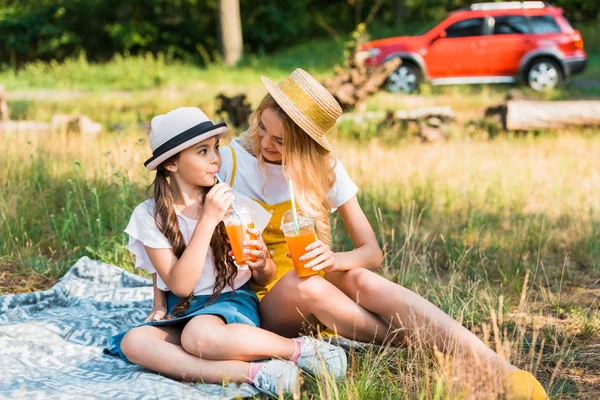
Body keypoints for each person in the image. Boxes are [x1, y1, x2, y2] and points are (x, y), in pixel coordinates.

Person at [149, 70, 548, 400]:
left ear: (306, 146)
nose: (264, 144)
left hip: (312, 285)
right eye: (262, 129)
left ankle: (503, 370)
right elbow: (173, 222)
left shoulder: (325, 170)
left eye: (280, 142)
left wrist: (334, 260)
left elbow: (371, 251)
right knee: (309, 287)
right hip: (260, 301)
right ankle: (435, 346)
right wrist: (161, 298)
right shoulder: (230, 161)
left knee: (359, 277)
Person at [104, 107, 347, 397]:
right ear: (171, 164)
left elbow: (262, 277)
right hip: (181, 308)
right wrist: (207, 221)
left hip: (230, 303)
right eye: (202, 151)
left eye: (216, 148)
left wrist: (261, 263)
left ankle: (301, 350)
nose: (216, 158)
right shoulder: (150, 216)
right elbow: (178, 284)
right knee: (134, 342)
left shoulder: (236, 206)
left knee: (199, 335)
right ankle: (257, 373)